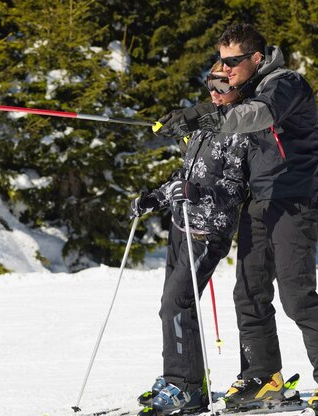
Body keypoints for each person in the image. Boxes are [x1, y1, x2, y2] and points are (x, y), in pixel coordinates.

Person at [155, 23, 318, 415]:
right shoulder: (242, 90)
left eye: (233, 62)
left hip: (294, 200)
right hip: (259, 201)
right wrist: (187, 121)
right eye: (222, 61)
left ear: (256, 59)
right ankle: (263, 377)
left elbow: (258, 116)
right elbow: (222, 128)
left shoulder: (285, 83)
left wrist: (207, 117)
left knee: (296, 295)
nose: (225, 69)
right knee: (248, 291)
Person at [131, 62, 250, 416]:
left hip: (208, 231)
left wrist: (195, 194)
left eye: (222, 87)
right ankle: (181, 381)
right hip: (182, 225)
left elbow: (234, 189)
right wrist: (158, 195)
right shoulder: (206, 125)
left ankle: (184, 387)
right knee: (173, 305)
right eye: (210, 86)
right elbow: (188, 175)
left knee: (176, 302)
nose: (214, 94)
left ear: (239, 87)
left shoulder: (242, 128)